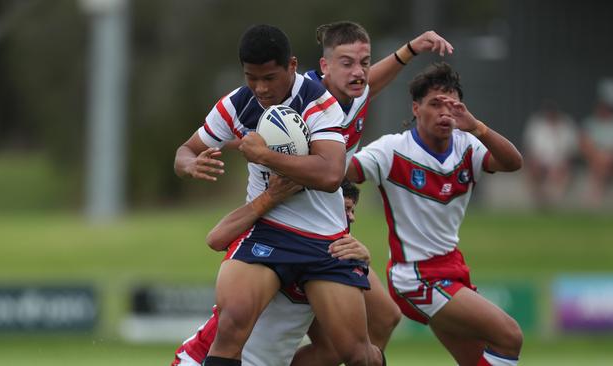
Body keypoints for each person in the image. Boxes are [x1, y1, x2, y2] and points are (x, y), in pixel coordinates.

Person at [174, 21, 454, 366]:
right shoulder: (237, 103)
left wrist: (264, 155)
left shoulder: (319, 103)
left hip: (325, 240)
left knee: (356, 353)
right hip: (269, 229)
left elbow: (330, 173)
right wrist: (190, 164)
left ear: (291, 66)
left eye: (269, 78)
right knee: (232, 322)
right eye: (251, 77)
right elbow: (185, 150)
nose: (260, 88)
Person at [346, 62, 524, 366]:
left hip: (452, 268)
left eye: (452, 105)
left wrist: (478, 127)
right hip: (415, 276)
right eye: (435, 104)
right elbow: (342, 172)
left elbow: (513, 162)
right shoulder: (392, 150)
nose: (444, 112)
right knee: (510, 336)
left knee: (476, 360)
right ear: (416, 109)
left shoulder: (468, 146)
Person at [172, 178, 370, 366]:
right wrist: (270, 196)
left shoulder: (339, 260)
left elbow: (334, 347)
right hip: (202, 359)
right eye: (345, 209)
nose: (351, 217)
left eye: (352, 210)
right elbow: (215, 239)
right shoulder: (273, 236)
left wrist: (363, 264)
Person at [522, 100, 579, 208]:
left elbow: (571, 153)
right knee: (532, 170)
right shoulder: (536, 125)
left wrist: (560, 166)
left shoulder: (566, 126)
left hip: (560, 165)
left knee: (562, 173)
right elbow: (529, 150)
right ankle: (540, 200)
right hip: (540, 164)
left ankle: (553, 202)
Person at [580, 100, 613, 206]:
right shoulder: (591, 123)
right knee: (599, 161)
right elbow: (584, 142)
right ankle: (595, 195)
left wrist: (606, 155)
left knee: (602, 161)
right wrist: (597, 154)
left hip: (612, 158)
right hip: (594, 157)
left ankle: (595, 195)